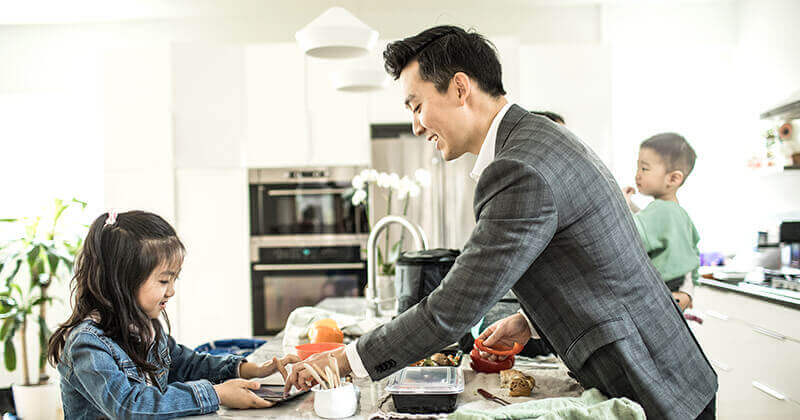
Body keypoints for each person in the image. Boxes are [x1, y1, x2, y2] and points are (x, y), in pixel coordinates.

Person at [285, 25, 717, 419]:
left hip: (655, 384)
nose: (416, 126)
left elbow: (450, 311)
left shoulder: (519, 167)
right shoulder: (540, 138)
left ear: (459, 88)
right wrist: (528, 320)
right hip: (667, 370)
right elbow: (590, 262)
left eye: (416, 106)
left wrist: (345, 360)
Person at [48, 210, 299, 419]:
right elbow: (128, 406)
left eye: (174, 279)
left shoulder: (144, 328)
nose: (171, 291)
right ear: (122, 281)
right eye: (164, 280)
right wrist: (217, 394)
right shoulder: (87, 345)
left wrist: (251, 370)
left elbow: (186, 364)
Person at [622, 133, 700, 311]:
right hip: (676, 291)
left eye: (644, 169)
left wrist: (622, 204)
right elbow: (694, 254)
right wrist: (689, 291)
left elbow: (630, 234)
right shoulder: (681, 214)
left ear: (673, 178)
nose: (637, 175)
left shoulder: (660, 210)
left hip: (657, 295)